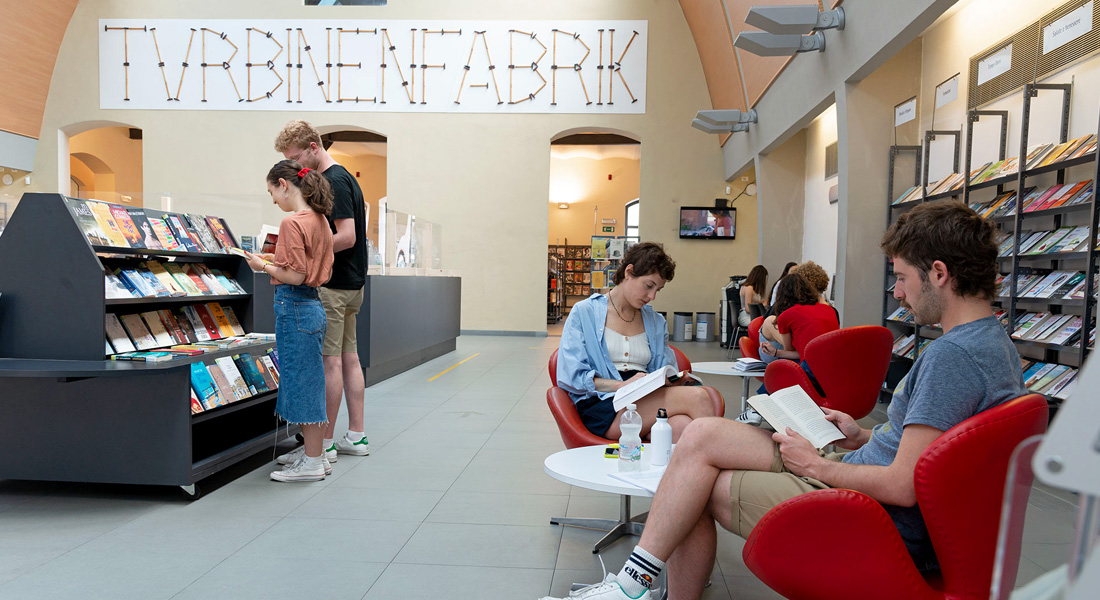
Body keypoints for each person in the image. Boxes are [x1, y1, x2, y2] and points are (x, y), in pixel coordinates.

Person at [540, 199, 1027, 600]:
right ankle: (637, 586)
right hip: (862, 466)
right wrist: (863, 433)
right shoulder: (993, 346)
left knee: (692, 482)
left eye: (901, 277)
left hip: (870, 507)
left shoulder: (951, 359)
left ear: (938, 273)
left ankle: (634, 585)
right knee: (703, 436)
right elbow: (928, 450)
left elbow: (903, 486)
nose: (897, 292)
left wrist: (818, 467)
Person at [274, 121, 372, 467]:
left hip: (335, 285)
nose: (297, 167)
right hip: (351, 283)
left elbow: (347, 236)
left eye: (298, 157)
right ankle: (355, 435)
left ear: (314, 147)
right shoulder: (343, 179)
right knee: (348, 359)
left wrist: (308, 247)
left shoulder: (335, 180)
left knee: (329, 363)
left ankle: (323, 443)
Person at [557, 242, 716, 442]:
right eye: (649, 286)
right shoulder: (584, 312)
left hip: (646, 399)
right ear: (629, 272)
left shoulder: (656, 322)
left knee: (680, 427)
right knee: (699, 397)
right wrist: (621, 386)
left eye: (658, 289)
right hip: (603, 404)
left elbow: (665, 369)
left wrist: (672, 379)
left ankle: (675, 473)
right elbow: (570, 378)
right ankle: (725, 462)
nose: (652, 296)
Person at [245, 160, 335, 482]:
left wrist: (262, 266)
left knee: (302, 384)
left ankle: (311, 463)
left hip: (295, 307)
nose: (273, 200)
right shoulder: (321, 220)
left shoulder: (291, 222)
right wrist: (275, 260)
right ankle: (317, 455)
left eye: (272, 191)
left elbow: (295, 275)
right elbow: (307, 267)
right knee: (311, 381)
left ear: (284, 184)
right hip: (313, 307)